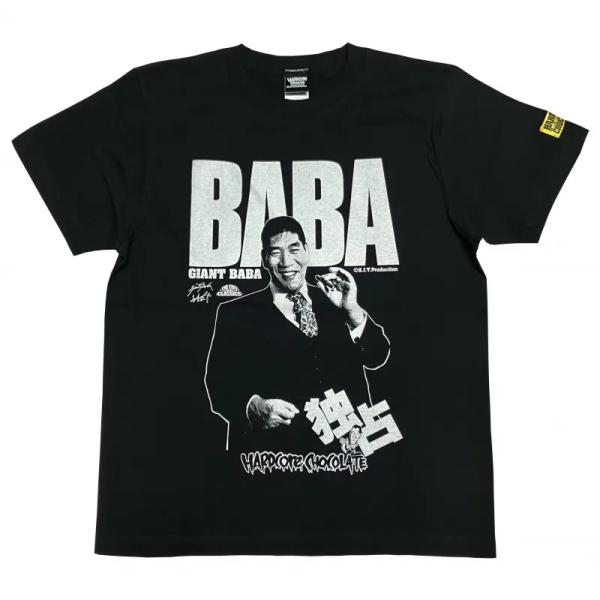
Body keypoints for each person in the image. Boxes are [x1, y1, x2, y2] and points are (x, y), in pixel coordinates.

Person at [205, 216, 390, 451]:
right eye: (275, 253)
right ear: (264, 259)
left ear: (307, 251)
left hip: (346, 455)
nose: (286, 262)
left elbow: (377, 357)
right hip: (273, 458)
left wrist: (352, 310)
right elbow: (218, 383)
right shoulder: (235, 313)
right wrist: (253, 406)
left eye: (294, 249)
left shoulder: (338, 300)